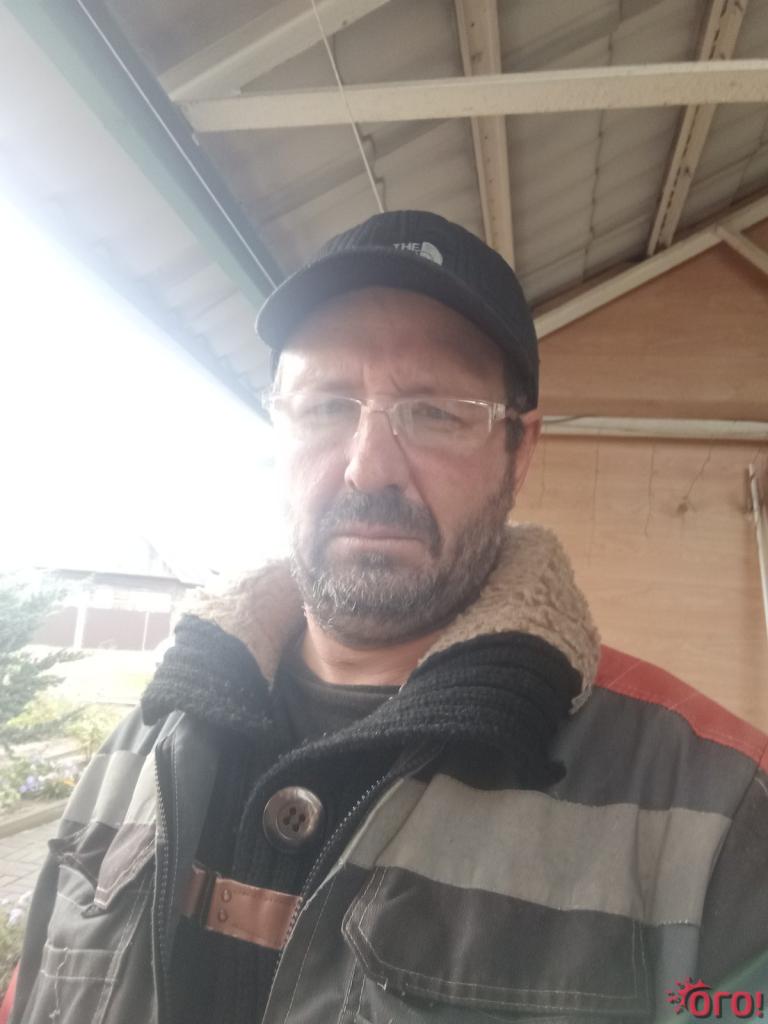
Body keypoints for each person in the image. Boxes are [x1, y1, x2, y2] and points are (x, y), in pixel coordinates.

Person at [8, 210, 768, 1024]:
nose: (368, 469)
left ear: (519, 451)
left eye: (436, 411)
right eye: (325, 406)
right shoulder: (145, 742)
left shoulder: (716, 817)